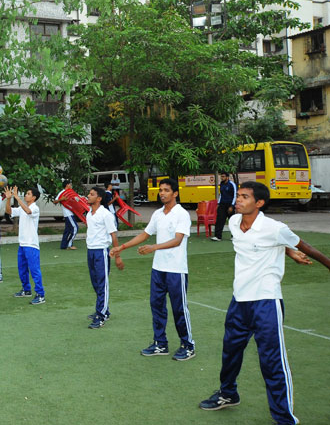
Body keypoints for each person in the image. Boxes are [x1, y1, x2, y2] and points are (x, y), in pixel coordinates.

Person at [198, 181, 330, 424]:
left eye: (245, 197)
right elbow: (257, 246)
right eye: (238, 196)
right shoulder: (234, 222)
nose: (238, 200)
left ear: (259, 203)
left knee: (272, 361)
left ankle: (283, 417)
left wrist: (301, 254)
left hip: (266, 301)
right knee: (230, 353)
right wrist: (286, 251)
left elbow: (305, 246)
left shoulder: (275, 227)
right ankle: (228, 394)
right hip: (239, 300)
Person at [110, 178, 195, 360]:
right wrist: (122, 247)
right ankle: (160, 343)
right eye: (160, 190)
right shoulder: (157, 214)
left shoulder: (182, 214)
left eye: (166, 190)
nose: (162, 193)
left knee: (179, 308)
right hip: (158, 269)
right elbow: (144, 234)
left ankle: (188, 345)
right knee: (156, 306)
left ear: (175, 194)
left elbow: (178, 240)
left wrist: (153, 248)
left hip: (176, 269)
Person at [85, 187, 123, 329]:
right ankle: (103, 310)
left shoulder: (105, 214)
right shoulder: (90, 213)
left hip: (101, 252)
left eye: (92, 194)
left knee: (102, 283)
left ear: (99, 198)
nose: (88, 195)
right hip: (91, 251)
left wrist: (117, 255)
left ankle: (101, 316)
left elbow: (113, 235)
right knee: (95, 283)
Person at [5, 185, 44, 305]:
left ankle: (40, 295)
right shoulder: (23, 207)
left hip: (31, 244)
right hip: (22, 244)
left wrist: (16, 197)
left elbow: (28, 211)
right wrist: (8, 199)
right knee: (22, 269)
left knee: (34, 270)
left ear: (34, 197)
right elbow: (9, 211)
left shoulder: (35, 208)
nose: (25, 195)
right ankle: (26, 290)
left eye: (28, 193)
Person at [212, 172, 237, 242]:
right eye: (221, 177)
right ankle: (218, 236)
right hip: (222, 204)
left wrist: (232, 206)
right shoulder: (222, 184)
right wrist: (218, 204)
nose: (222, 178)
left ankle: (234, 236)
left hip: (230, 205)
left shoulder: (232, 184)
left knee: (232, 221)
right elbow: (221, 195)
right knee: (219, 220)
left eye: (223, 176)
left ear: (227, 177)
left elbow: (235, 195)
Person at [55, 180, 78, 250]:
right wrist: (61, 199)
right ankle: (69, 244)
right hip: (68, 214)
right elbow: (55, 201)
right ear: (67, 185)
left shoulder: (71, 192)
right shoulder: (62, 193)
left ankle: (63, 245)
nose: (71, 185)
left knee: (67, 230)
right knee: (75, 228)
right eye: (70, 184)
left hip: (71, 213)